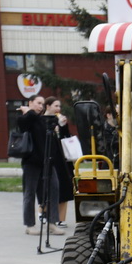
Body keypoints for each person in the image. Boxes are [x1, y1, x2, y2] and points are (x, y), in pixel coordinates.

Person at [17, 95, 65, 236]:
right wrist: (29, 111)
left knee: (54, 190)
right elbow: (23, 125)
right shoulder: (26, 118)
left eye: (42, 104)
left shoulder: (42, 119)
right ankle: (30, 225)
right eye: (38, 103)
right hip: (31, 162)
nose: (40, 106)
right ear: (30, 103)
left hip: (48, 162)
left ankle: (52, 223)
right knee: (30, 193)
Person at [43, 96, 75, 228]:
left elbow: (66, 138)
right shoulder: (43, 120)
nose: (58, 109)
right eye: (56, 106)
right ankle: (44, 212)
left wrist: (63, 126)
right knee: (52, 187)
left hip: (63, 158)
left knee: (66, 186)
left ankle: (61, 218)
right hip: (51, 158)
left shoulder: (59, 120)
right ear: (48, 106)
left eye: (59, 106)